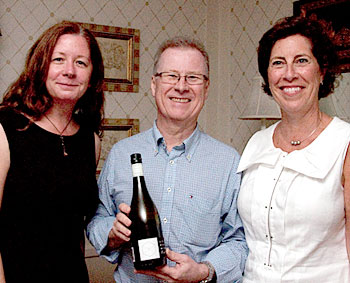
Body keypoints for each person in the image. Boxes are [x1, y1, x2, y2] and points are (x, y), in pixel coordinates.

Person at [87, 36, 248, 282]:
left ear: (206, 88)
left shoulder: (228, 163)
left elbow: (239, 241)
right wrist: (111, 233)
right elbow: (97, 216)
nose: (181, 86)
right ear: (154, 85)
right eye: (171, 75)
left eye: (193, 77)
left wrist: (204, 270)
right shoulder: (121, 154)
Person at [237, 16, 350, 282]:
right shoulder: (256, 143)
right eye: (278, 63)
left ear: (322, 71)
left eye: (302, 60)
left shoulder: (344, 143)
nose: (289, 74)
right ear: (267, 75)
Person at [0, 21, 104, 283]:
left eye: (81, 62)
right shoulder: (6, 128)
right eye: (59, 59)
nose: (69, 71)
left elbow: (73, 229)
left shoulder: (90, 140)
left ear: (92, 76)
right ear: (41, 66)